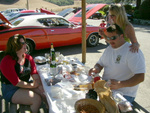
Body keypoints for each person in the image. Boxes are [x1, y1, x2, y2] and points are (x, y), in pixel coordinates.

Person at [89, 24, 145, 103]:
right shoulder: (109, 49)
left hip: (124, 94)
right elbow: (100, 64)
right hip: (105, 89)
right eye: (108, 38)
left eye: (113, 37)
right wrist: (96, 69)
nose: (110, 40)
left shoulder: (132, 51)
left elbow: (140, 77)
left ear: (121, 36)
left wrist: (120, 84)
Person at [0, 34, 47, 113]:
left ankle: (49, 109)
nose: (26, 45)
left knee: (44, 93)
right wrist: (32, 85)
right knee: (36, 99)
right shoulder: (7, 61)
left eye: (25, 42)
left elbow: (34, 72)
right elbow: (16, 82)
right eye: (22, 43)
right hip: (11, 89)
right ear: (15, 46)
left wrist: (38, 83)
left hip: (25, 84)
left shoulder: (28, 58)